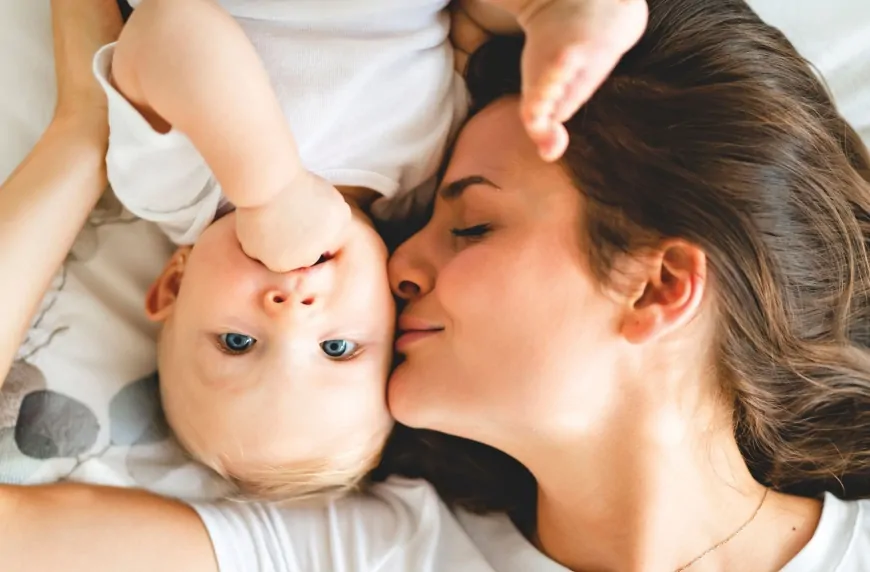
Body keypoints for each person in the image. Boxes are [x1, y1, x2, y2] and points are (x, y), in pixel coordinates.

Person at [5, 0, 870, 571]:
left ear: (657, 287)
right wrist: (81, 138)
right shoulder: (377, 546)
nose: (399, 266)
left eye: (474, 226)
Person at [93, 0, 648, 500]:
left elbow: (163, 28)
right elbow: (465, 28)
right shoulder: (429, 177)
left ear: (173, 284)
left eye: (238, 342)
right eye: (337, 348)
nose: (292, 314)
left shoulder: (174, 191)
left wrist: (272, 190)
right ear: (392, 311)